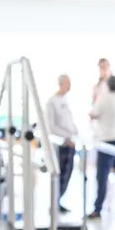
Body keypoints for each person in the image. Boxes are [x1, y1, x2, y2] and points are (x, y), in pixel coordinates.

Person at [88, 75, 115, 218]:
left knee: (102, 176)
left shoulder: (104, 98)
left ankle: (98, 208)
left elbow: (93, 114)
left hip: (108, 140)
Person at [46, 74, 80, 213]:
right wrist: (66, 138)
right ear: (60, 84)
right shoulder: (52, 102)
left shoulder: (66, 101)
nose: (69, 86)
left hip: (71, 143)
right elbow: (51, 126)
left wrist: (75, 135)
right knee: (59, 174)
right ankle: (54, 203)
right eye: (67, 83)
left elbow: (69, 122)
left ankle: (58, 201)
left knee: (67, 174)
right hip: (60, 145)